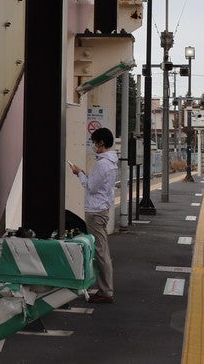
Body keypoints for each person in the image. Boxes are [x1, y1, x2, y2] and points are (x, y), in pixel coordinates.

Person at [69, 127, 118, 304]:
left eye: (94, 142)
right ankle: (105, 289)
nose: (93, 145)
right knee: (102, 248)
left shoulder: (102, 164)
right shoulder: (112, 162)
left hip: (95, 211)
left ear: (101, 143)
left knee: (101, 250)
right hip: (103, 209)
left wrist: (79, 174)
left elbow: (91, 186)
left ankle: (106, 291)